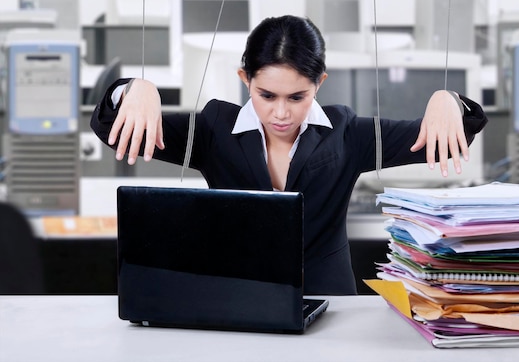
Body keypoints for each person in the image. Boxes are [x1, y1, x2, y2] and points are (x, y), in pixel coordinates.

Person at [91, 15, 487, 295]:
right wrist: (133, 88)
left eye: (297, 97)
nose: (281, 113)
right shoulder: (213, 130)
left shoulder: (347, 134)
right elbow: (111, 129)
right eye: (266, 96)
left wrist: (448, 99)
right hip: (238, 299)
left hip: (331, 306)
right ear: (245, 79)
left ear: (320, 83)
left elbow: (457, 131)